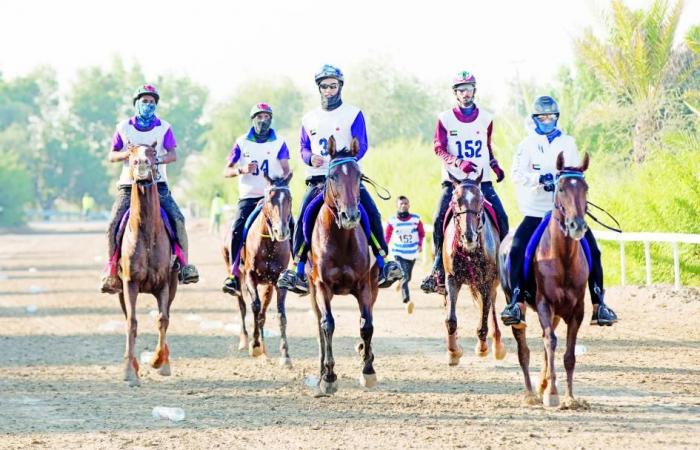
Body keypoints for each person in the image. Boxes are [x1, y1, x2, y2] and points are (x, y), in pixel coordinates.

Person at [276, 64, 403, 295]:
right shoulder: (309, 118)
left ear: (340, 87)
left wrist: (345, 159)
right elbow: (303, 148)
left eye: (333, 86)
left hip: (346, 179)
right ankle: (297, 269)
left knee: (371, 212)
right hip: (318, 180)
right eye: (324, 86)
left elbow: (361, 144)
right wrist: (310, 157)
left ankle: (386, 264)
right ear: (319, 88)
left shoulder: (353, 113)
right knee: (304, 214)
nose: (329, 90)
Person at [500, 95, 618, 328]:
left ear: (556, 117)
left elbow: (575, 172)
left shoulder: (568, 142)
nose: (547, 120)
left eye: (551, 116)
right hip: (536, 211)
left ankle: (598, 305)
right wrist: (539, 178)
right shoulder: (526, 145)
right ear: (535, 118)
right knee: (516, 249)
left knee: (593, 251)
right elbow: (516, 174)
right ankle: (517, 301)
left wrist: (568, 185)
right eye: (542, 117)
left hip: (565, 212)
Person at [100, 84, 199, 294]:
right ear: (136, 103)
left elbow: (173, 154)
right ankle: (111, 271)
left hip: (158, 185)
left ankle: (184, 265)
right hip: (128, 186)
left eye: (152, 102)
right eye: (144, 101)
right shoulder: (123, 127)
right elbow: (112, 155)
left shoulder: (164, 127)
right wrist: (129, 155)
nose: (148, 105)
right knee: (112, 225)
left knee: (178, 219)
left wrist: (157, 159)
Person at [421, 70, 509, 295]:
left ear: (474, 91)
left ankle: (506, 269)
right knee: (439, 216)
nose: (465, 93)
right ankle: (438, 267)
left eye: (468, 89)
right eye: (461, 90)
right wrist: (459, 163)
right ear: (455, 93)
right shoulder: (444, 118)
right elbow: (438, 148)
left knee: (503, 218)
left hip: (482, 182)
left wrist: (494, 164)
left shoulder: (487, 118)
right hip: (454, 183)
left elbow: (486, 146)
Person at [222, 103, 291, 296]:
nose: (263, 120)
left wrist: (284, 179)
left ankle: (295, 271)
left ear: (271, 119)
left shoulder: (279, 142)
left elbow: (285, 168)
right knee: (237, 229)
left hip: (274, 197)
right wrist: (241, 170)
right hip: (250, 197)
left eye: (266, 117)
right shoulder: (242, 142)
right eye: (259, 117)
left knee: (291, 224)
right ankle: (234, 274)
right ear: (253, 120)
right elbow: (225, 170)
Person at [385, 196, 425, 309]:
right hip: (399, 252)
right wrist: (384, 246)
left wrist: (420, 244)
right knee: (405, 276)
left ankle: (399, 281)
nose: (404, 205)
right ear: (397, 206)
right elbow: (387, 235)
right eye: (401, 203)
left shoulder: (416, 219)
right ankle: (407, 301)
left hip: (412, 252)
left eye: (406, 203)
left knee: (408, 277)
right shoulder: (392, 220)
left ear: (409, 205)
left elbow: (421, 233)